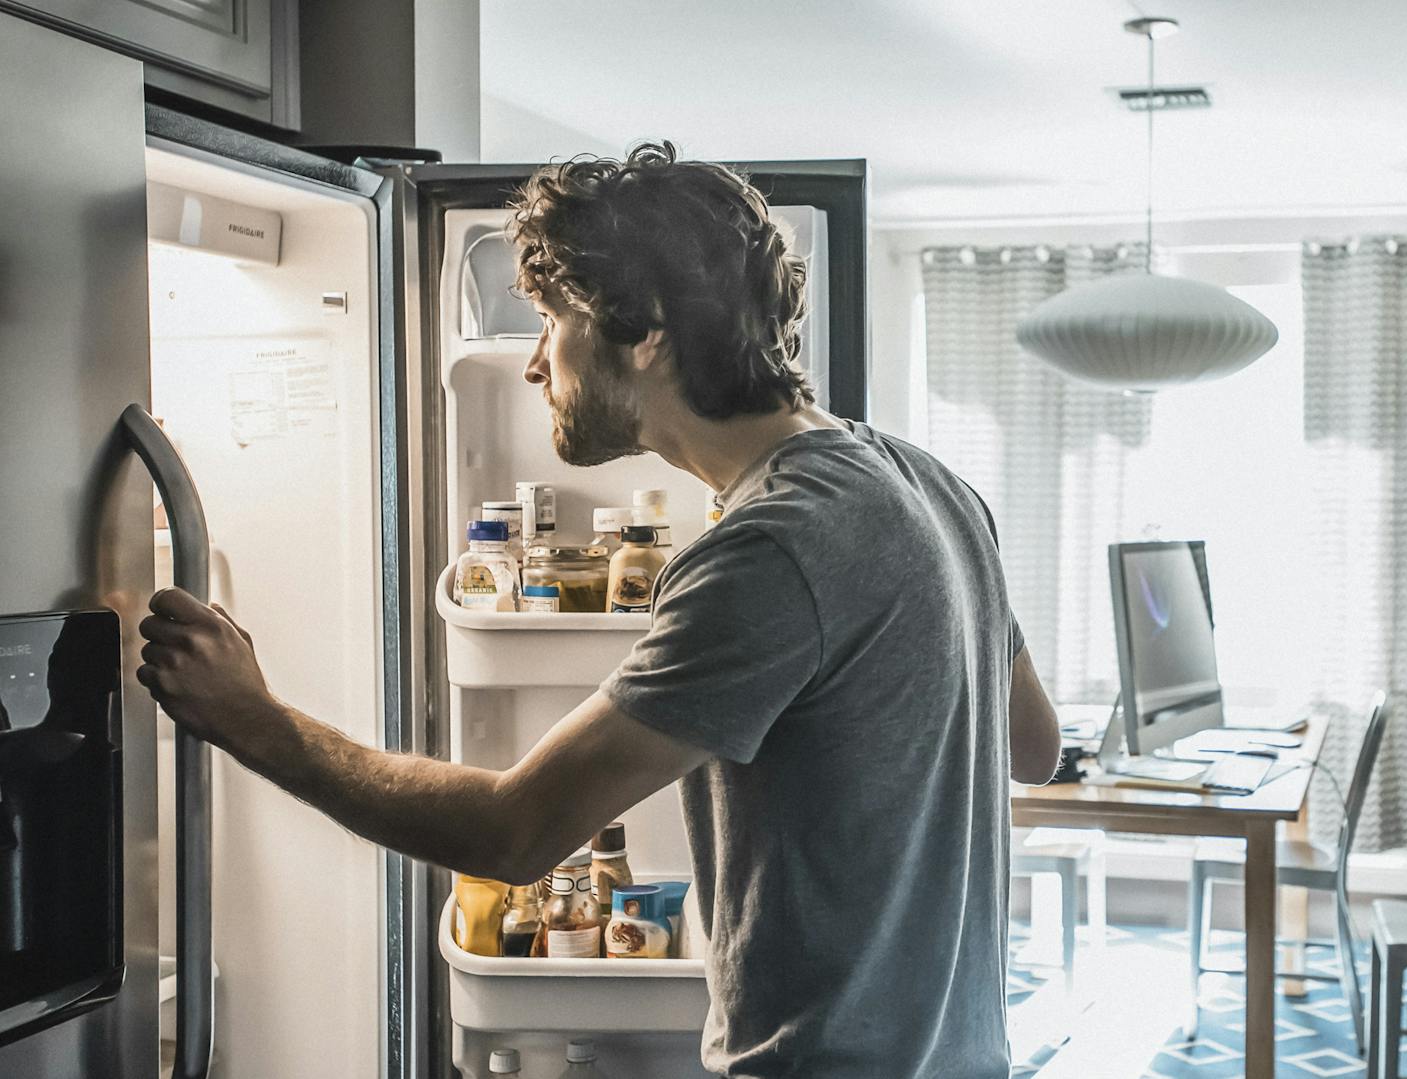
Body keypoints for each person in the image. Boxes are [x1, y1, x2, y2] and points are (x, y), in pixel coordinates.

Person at [136, 143, 1062, 1078]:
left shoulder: (769, 550)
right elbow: (1034, 745)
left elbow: (514, 830)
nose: (537, 364)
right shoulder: (928, 482)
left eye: (552, 321)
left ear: (643, 329)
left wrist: (254, 721)